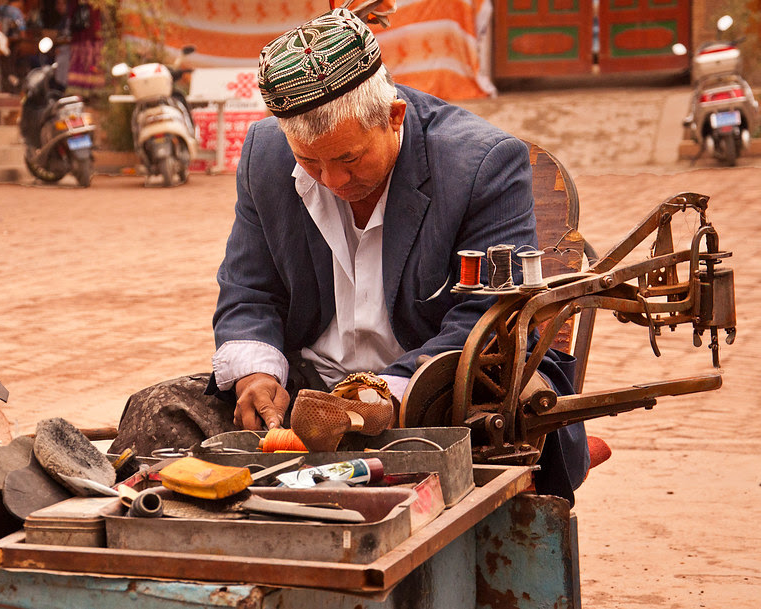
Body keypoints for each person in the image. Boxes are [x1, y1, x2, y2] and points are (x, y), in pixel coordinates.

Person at [110, 8, 589, 502]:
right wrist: (257, 371)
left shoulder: (483, 164)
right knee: (159, 413)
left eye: (349, 158)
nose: (333, 181)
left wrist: (379, 395)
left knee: (487, 443)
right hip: (309, 395)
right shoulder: (264, 153)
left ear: (394, 118)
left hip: (441, 391)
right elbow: (249, 288)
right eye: (308, 161)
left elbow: (488, 318)